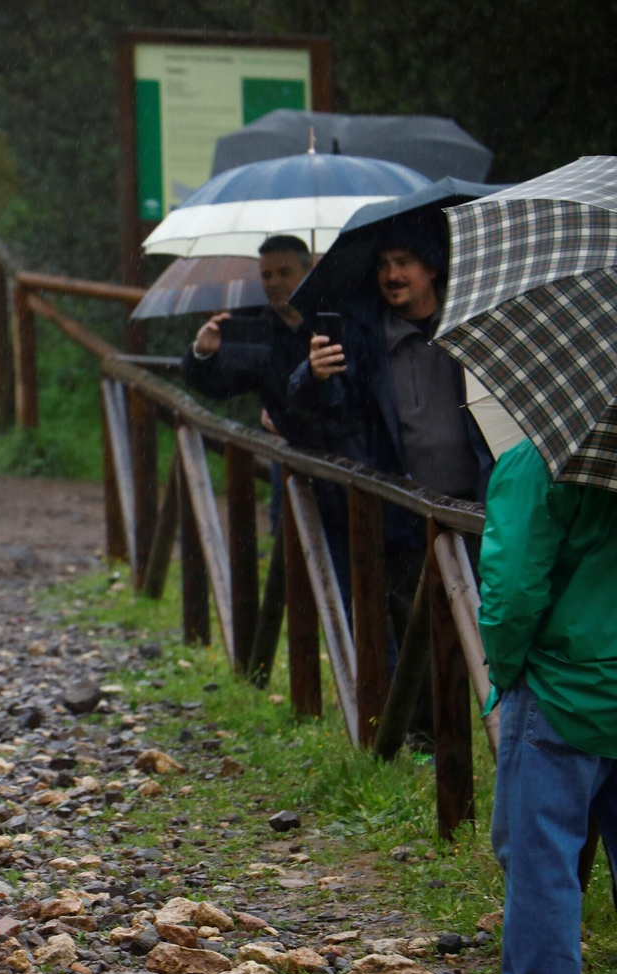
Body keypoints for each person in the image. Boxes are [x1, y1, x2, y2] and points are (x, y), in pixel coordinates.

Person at [290, 223, 493, 745]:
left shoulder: (476, 322)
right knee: (416, 623)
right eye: (383, 264)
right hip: (405, 509)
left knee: (492, 618)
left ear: (432, 268)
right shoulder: (364, 337)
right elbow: (319, 410)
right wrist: (311, 376)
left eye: (404, 262)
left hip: (481, 504)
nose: (391, 275)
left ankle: (504, 730)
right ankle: (431, 741)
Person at [479, 438, 617, 974]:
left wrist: (504, 677)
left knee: (540, 862)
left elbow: (511, 591)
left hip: (568, 687)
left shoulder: (543, 458)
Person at [183, 236, 350, 599]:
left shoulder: (338, 316)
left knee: (360, 574)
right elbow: (221, 385)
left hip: (352, 461)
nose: (274, 282)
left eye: (285, 272)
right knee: (299, 571)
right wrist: (202, 352)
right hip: (294, 460)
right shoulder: (256, 327)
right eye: (266, 274)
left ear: (308, 271)